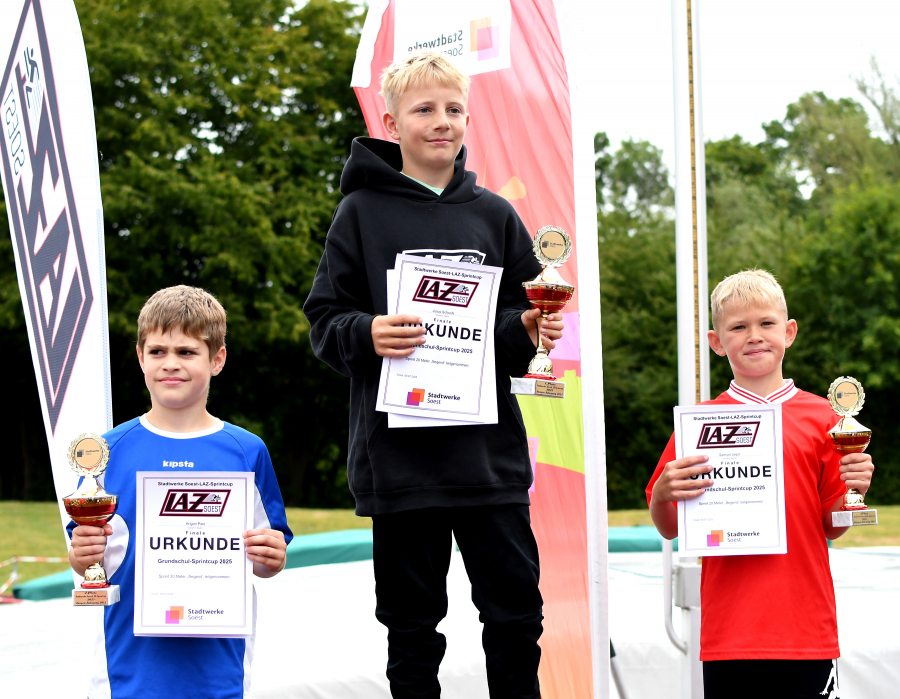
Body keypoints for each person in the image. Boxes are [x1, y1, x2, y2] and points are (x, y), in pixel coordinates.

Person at [303, 49, 563, 699]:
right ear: (392, 123)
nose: (441, 121)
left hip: (487, 461)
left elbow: (518, 322)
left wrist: (531, 329)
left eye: (453, 108)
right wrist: (367, 331)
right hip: (401, 464)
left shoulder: (495, 215)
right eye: (424, 109)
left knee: (516, 617)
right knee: (413, 629)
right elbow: (324, 321)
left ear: (467, 119)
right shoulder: (359, 214)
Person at [647, 269, 875, 699]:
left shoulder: (826, 418)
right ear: (717, 342)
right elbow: (670, 526)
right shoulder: (698, 424)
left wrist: (856, 491)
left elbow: (833, 526)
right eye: (738, 327)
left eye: (766, 323)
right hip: (729, 635)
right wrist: (661, 494)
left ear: (788, 332)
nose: (754, 336)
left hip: (805, 630)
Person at [68, 285, 293, 699]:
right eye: (158, 351)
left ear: (217, 359)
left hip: (218, 672)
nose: (170, 363)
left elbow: (268, 555)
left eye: (187, 352)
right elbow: (86, 563)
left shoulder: (247, 451)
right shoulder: (105, 452)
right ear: (140, 356)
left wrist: (271, 558)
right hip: (126, 671)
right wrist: (81, 555)